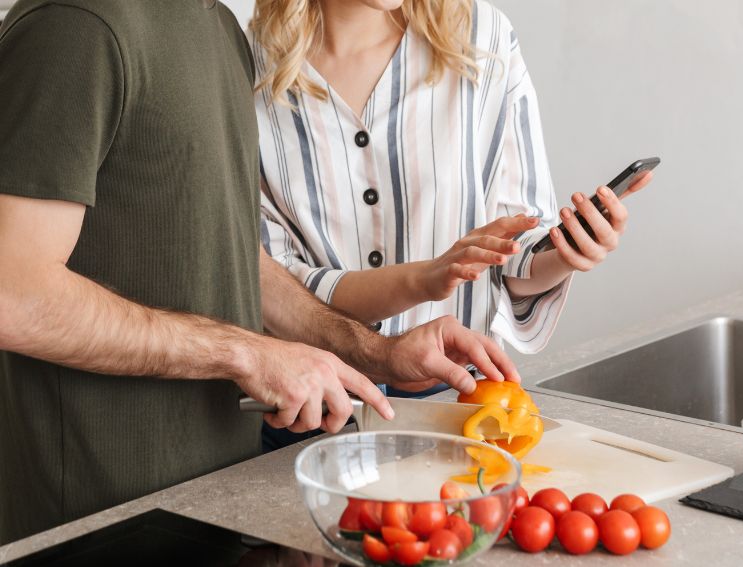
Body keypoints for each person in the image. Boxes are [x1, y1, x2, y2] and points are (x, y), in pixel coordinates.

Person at [0, 0, 518, 545]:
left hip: (216, 500)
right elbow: (14, 291)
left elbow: (234, 253)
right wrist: (243, 353)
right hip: (97, 520)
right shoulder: (75, 25)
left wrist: (376, 353)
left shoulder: (216, 24)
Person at [250, 0, 652, 449]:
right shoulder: (248, 69)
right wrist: (421, 280)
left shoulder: (481, 38)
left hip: (466, 411)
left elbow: (511, 251)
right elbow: (274, 284)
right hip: (315, 417)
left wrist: (565, 253)